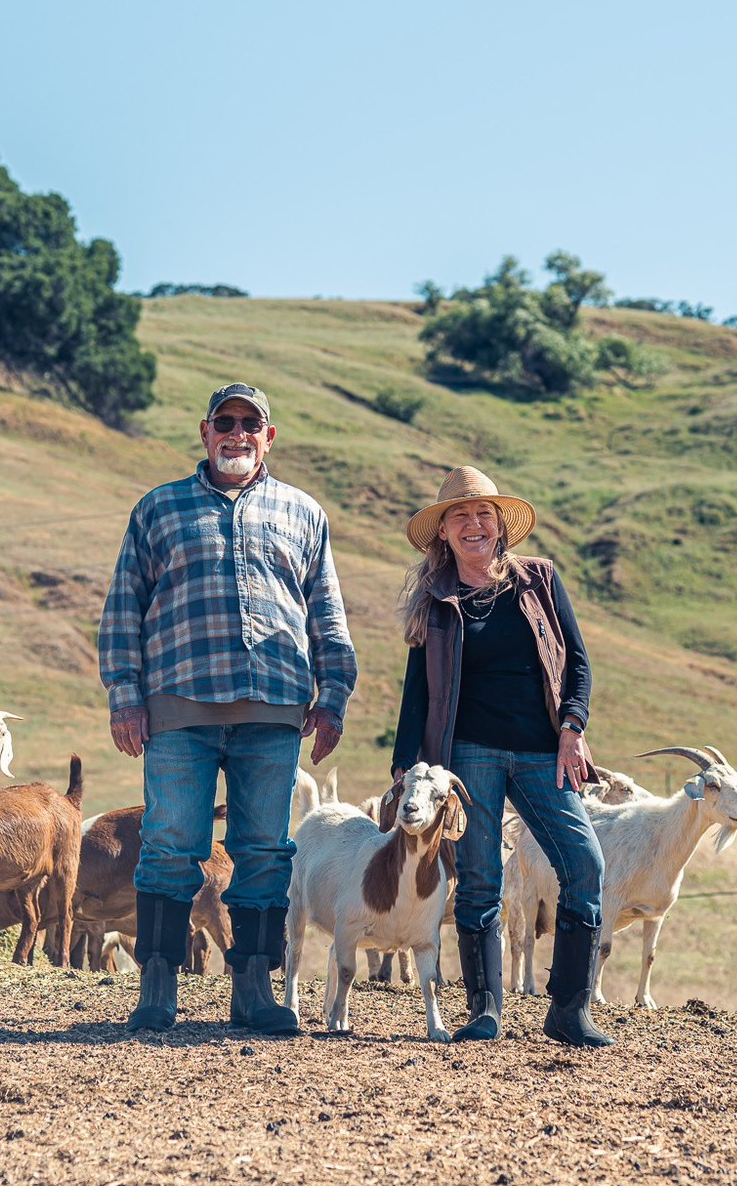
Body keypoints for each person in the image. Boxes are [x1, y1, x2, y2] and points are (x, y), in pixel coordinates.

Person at [98, 382, 355, 1036]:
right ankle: (157, 981)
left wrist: (333, 698)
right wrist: (125, 695)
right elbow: (123, 605)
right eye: (225, 421)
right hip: (178, 705)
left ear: (269, 437)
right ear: (205, 431)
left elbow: (326, 611)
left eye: (251, 423)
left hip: (274, 707)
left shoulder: (304, 513)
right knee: (169, 844)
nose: (237, 432)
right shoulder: (158, 508)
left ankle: (254, 987)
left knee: (265, 850)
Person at [389, 466, 611, 1048]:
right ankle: (484, 1012)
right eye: (459, 516)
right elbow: (418, 691)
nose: (473, 524)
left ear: (500, 524)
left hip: (545, 750)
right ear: (443, 533)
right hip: (468, 755)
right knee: (481, 879)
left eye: (483, 513)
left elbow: (578, 663)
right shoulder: (435, 601)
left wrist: (573, 726)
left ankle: (569, 1010)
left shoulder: (539, 580)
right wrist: (402, 765)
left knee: (584, 864)